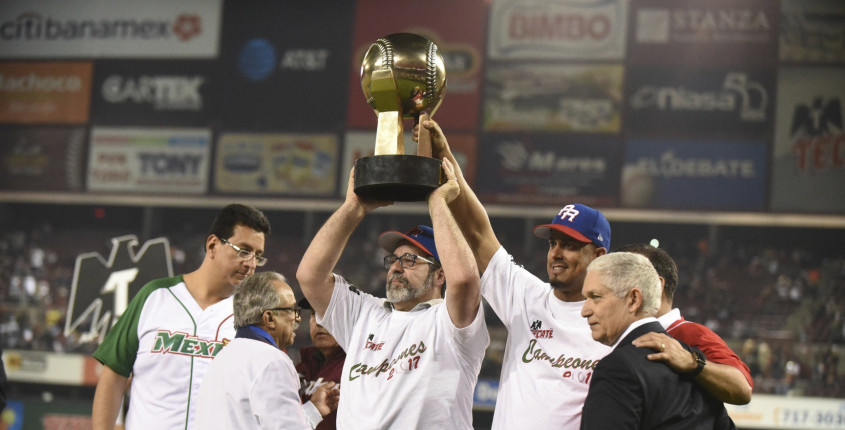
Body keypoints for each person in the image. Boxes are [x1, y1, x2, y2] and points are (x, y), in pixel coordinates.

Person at [415, 118, 611, 429]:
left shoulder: (616, 324)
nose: (556, 253)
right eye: (553, 243)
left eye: (571, 245)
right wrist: (446, 155)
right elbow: (478, 232)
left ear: (599, 255)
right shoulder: (527, 296)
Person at [296, 158, 489, 429]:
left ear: (440, 274)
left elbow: (467, 280)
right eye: (393, 260)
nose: (396, 267)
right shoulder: (365, 313)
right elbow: (310, 276)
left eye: (410, 259)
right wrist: (353, 207)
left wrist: (437, 204)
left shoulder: (450, 322)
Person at [92, 203, 271, 430]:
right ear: (213, 244)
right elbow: (113, 377)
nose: (251, 264)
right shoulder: (154, 296)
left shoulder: (254, 318)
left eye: (258, 256)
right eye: (244, 251)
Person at [580, 252, 736, 429]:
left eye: (595, 297)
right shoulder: (695, 364)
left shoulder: (618, 368)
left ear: (633, 299)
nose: (584, 311)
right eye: (586, 298)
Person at [194, 272, 339, 429]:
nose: (297, 318)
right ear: (269, 318)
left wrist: (313, 410)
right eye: (291, 310)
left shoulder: (223, 357)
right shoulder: (272, 361)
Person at [620, 243, 754, 405]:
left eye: (624, 279)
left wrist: (692, 362)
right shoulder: (610, 333)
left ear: (656, 285)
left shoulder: (690, 333)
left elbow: (742, 388)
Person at [296, 298, 346, 430]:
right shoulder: (300, 369)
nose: (318, 322)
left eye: (327, 313)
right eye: (314, 314)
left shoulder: (363, 367)